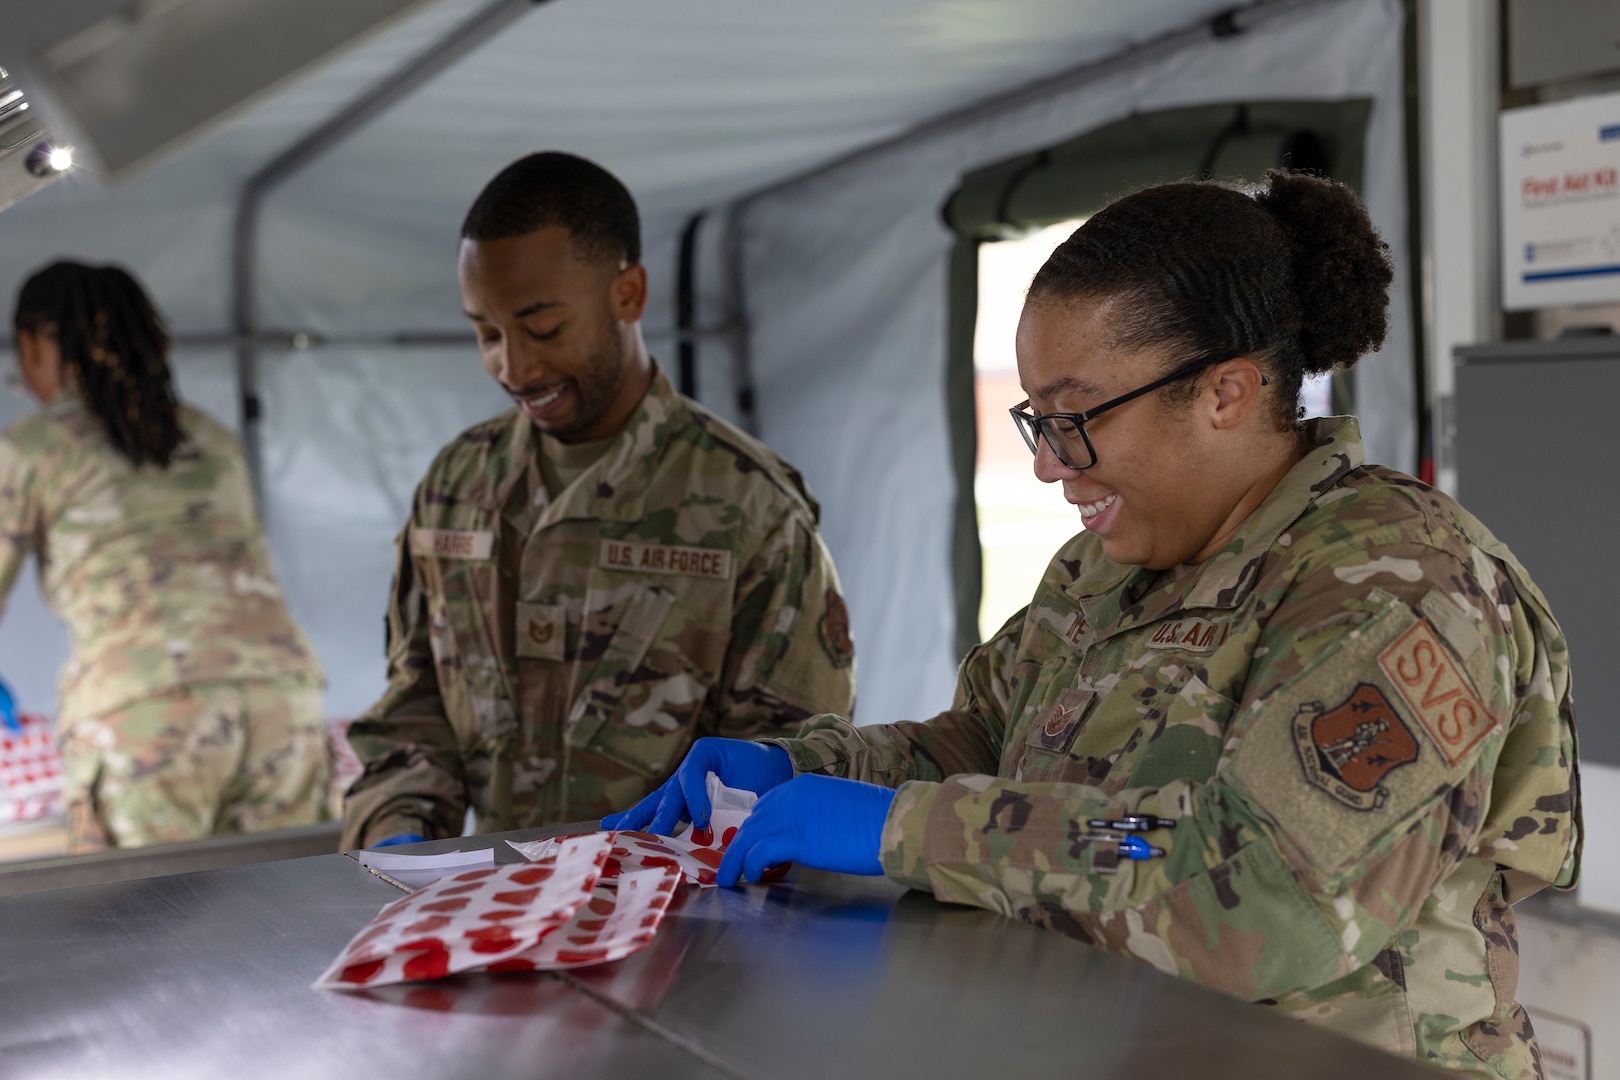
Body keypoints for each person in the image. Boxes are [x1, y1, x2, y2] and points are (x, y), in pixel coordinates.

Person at [605, 172, 1580, 1078]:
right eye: (1038, 421)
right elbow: (985, 743)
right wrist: (814, 769)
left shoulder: (1400, 587)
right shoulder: (1108, 567)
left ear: (1225, 392)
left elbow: (1251, 897)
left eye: (1075, 419)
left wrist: (906, 829)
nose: (1048, 466)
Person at [340, 152, 856, 850]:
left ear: (629, 295)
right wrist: (396, 835)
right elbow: (413, 713)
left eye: (543, 329)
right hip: (488, 920)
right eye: (487, 333)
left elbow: (790, 759)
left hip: (680, 933)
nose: (514, 368)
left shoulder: (749, 510)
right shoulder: (456, 487)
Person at [0, 261, 329, 852]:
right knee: (287, 915)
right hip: (283, 697)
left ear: (32, 345)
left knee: (145, 926)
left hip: (147, 712)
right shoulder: (209, 437)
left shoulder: (32, 448)